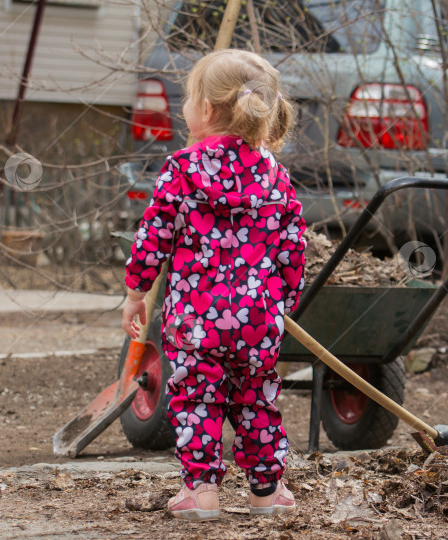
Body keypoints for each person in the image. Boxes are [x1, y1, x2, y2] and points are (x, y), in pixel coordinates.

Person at [122, 49, 306, 521]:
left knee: (195, 398)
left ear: (206, 111)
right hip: (257, 319)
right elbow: (293, 249)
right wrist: (284, 300)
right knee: (256, 398)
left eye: (187, 98)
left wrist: (136, 292)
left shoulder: (181, 169)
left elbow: (154, 237)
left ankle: (201, 494)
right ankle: (267, 493)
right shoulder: (276, 177)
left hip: (193, 321)